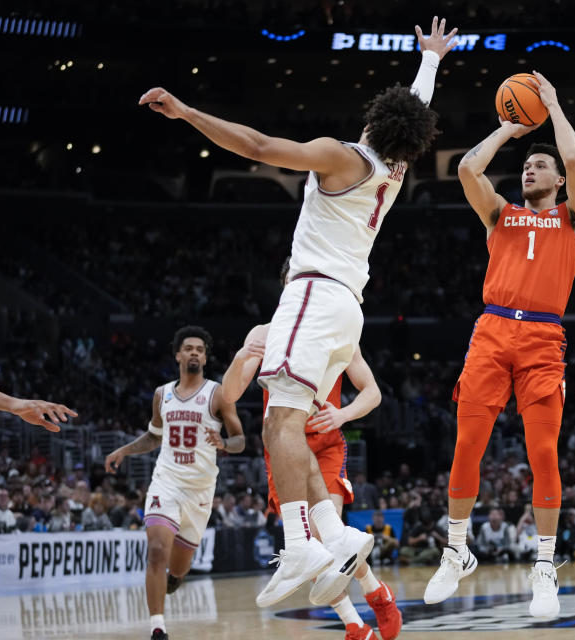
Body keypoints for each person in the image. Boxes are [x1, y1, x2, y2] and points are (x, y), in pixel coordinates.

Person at [142, 15, 458, 611]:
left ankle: (299, 548)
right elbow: (416, 108)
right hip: (347, 308)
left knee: (277, 424)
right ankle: (335, 537)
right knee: (288, 424)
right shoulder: (395, 168)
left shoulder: (342, 155)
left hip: (313, 293)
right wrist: (431, 61)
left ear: (372, 120)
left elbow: (258, 146)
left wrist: (187, 113)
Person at [424, 71, 575, 619]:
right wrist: (507, 129)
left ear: (559, 181)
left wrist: (552, 104)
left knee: (542, 452)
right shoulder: (501, 214)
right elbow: (467, 168)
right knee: (467, 445)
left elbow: (573, 162)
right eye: (528, 164)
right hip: (492, 330)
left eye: (539, 165)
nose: (530, 168)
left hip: (544, 338)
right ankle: (457, 551)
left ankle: (544, 566)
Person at [222, 299, 402, 640]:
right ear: (288, 287)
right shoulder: (265, 333)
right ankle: (355, 622)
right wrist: (241, 356)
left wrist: (344, 414)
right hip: (282, 445)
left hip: (323, 441)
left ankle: (375, 594)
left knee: (324, 537)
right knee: (309, 546)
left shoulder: (337, 329)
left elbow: (373, 391)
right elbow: (229, 394)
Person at [105, 326, 244, 640]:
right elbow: (155, 437)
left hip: (200, 491)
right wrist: (125, 449)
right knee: (156, 551)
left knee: (179, 567)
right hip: (165, 482)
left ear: (205, 358)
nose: (195, 352)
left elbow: (240, 439)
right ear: (178, 355)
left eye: (200, 349)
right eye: (189, 348)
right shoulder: (161, 394)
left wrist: (224, 443)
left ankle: (176, 577)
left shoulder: (218, 393)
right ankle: (158, 628)